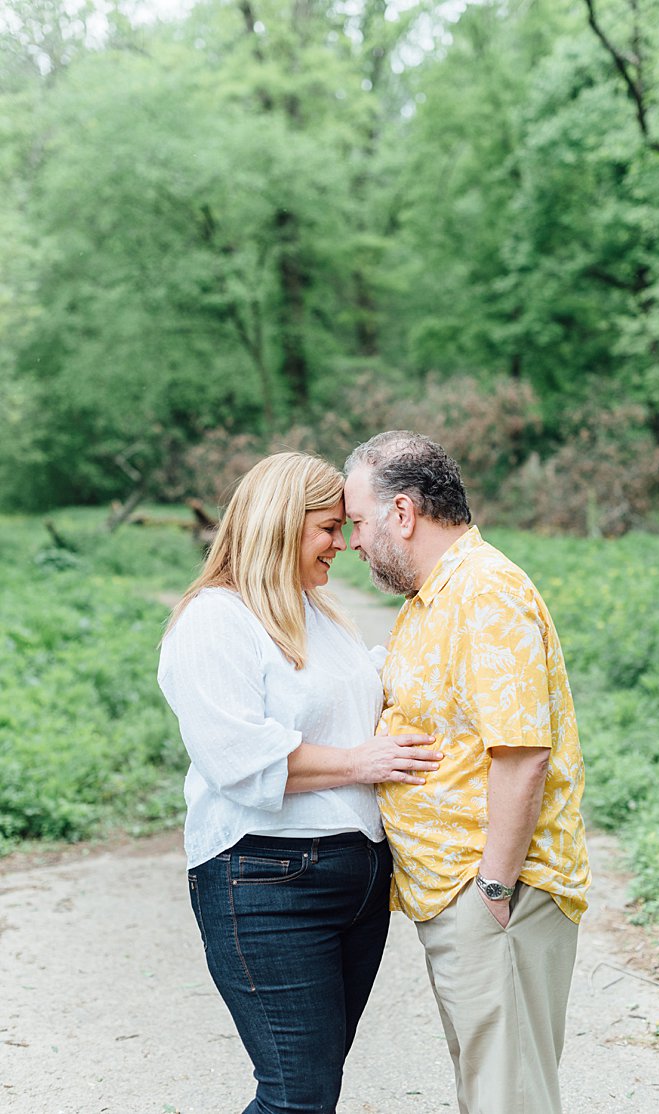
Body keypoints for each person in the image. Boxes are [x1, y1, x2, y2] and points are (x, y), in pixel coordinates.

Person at [158, 451, 443, 1114]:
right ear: (280, 525)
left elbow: (375, 691)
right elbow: (238, 754)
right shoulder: (214, 621)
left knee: (310, 1088)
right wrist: (357, 764)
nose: (342, 545)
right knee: (296, 1094)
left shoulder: (319, 614)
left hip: (359, 882)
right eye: (327, 528)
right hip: (267, 880)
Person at [341, 431, 589, 1114]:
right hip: (459, 892)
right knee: (488, 1088)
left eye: (358, 522)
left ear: (402, 513)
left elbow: (523, 751)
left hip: (492, 893)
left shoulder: (485, 590)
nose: (352, 542)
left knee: (508, 1097)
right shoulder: (434, 596)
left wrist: (493, 885)